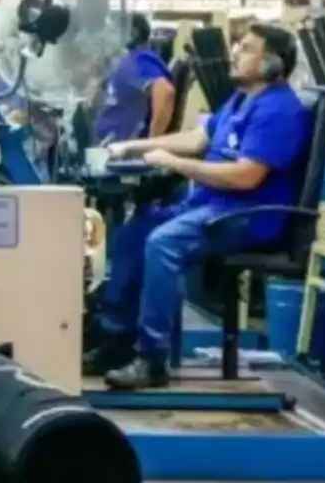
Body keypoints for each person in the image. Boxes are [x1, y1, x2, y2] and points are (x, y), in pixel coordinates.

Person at [85, 23, 311, 390]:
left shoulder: (279, 110)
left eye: (247, 48)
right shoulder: (241, 99)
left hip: (247, 216)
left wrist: (173, 163)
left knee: (163, 243)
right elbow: (198, 138)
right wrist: (137, 146)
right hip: (212, 204)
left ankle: (152, 358)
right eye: (238, 45)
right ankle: (116, 339)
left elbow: (246, 177)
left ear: (272, 63)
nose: (235, 52)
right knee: (135, 231)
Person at [95, 13, 175, 144]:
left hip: (119, 150)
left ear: (132, 34)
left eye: (112, 31)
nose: (105, 37)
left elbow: (165, 91)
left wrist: (151, 142)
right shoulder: (125, 61)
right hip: (107, 144)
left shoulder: (140, 59)